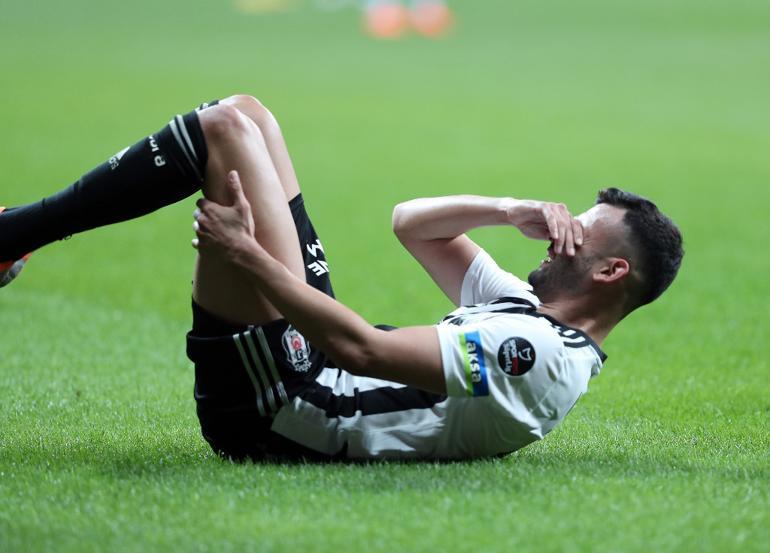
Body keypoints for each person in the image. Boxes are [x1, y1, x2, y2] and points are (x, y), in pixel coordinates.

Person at [0, 94, 683, 461]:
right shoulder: (528, 310)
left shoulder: (534, 354)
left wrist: (245, 254)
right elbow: (411, 224)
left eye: (579, 230)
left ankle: (10, 236)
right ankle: (11, 237)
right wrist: (509, 209)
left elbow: (364, 351)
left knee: (224, 131)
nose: (563, 230)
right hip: (313, 368)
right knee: (250, 115)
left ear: (610, 269)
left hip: (286, 409)